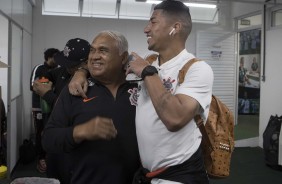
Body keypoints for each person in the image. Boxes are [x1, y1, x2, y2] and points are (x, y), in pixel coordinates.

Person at [69, 1, 213, 183]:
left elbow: (174, 119)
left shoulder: (197, 69)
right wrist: (80, 72)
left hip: (179, 175)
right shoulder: (149, 61)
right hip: (147, 174)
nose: (146, 29)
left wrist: (147, 72)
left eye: (153, 22)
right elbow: (105, 63)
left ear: (175, 27)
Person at [42, 31, 140, 184]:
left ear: (123, 57)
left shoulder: (140, 90)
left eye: (103, 50)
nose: (94, 56)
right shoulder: (76, 89)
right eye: (92, 51)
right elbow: (48, 139)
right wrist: (81, 131)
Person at [33, 38, 91, 184]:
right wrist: (42, 81)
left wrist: (47, 95)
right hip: (55, 138)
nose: (65, 67)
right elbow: (48, 75)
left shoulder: (89, 81)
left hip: (72, 143)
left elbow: (70, 108)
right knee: (53, 176)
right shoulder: (63, 71)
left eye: (70, 65)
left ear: (85, 62)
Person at [30, 48, 59, 173]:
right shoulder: (39, 68)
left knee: (52, 132)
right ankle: (41, 159)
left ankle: (51, 158)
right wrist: (47, 85)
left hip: (55, 107)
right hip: (39, 107)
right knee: (40, 132)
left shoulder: (59, 69)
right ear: (49, 57)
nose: (57, 60)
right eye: (55, 57)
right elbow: (32, 86)